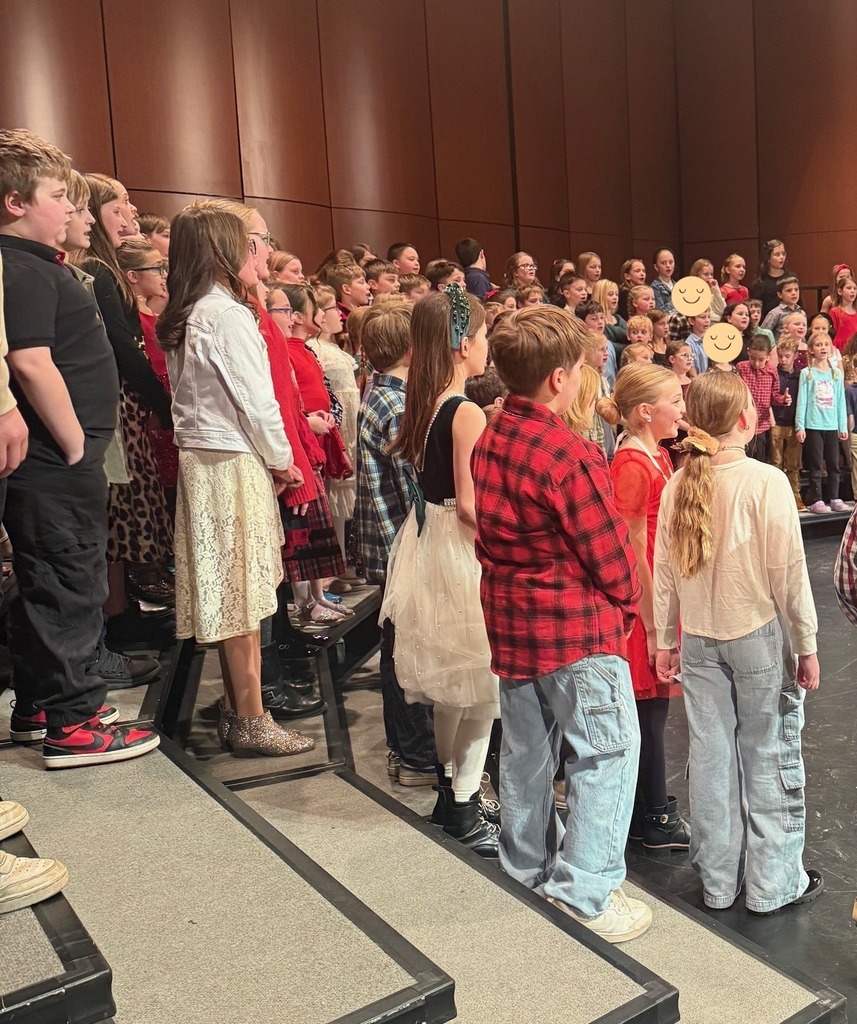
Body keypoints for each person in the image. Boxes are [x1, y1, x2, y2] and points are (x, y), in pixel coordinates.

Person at [472, 305, 648, 943]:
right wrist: (628, 604)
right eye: (578, 369)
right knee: (607, 754)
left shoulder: (492, 433)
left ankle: (527, 872)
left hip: (514, 628)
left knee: (525, 755)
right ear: (557, 378)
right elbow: (608, 553)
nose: (581, 378)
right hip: (575, 631)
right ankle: (585, 889)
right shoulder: (566, 450)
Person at [0, 128, 158, 767]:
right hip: (55, 459)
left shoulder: (36, 265)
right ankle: (76, 723)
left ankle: (42, 704)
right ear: (15, 202)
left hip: (58, 458)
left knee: (54, 577)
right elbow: (32, 363)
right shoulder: (20, 267)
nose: (74, 210)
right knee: (70, 580)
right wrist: (73, 445)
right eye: (60, 196)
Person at [654, 370, 823, 916]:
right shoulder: (765, 481)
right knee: (767, 751)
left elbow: (663, 572)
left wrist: (663, 637)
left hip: (699, 639)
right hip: (754, 636)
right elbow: (787, 572)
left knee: (710, 758)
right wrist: (806, 642)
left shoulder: (678, 482)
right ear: (747, 421)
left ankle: (719, 883)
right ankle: (773, 883)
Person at [157, 204, 314, 757]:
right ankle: (249, 716)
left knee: (232, 590)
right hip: (231, 460)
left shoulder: (193, 309)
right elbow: (257, 402)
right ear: (227, 250)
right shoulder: (225, 314)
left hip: (207, 461)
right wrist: (282, 460)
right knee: (242, 592)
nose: (265, 252)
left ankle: (238, 709)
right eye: (257, 242)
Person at [379, 286, 500, 857]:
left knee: (458, 687)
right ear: (460, 345)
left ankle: (451, 792)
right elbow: (474, 505)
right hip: (461, 547)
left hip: (429, 543)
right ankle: (464, 801)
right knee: (482, 686)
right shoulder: (467, 411)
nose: (486, 346)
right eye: (480, 335)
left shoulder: (423, 403)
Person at [599, 365, 690, 849]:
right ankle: (650, 813)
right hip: (645, 609)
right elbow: (634, 549)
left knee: (653, 714)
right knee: (647, 715)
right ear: (644, 411)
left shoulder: (655, 454)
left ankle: (649, 807)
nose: (682, 409)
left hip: (660, 600)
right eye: (674, 400)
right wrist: (655, 625)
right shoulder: (632, 465)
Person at [354, 302, 438, 786]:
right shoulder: (398, 403)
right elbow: (414, 483)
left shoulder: (381, 393)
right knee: (405, 649)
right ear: (412, 349)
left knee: (396, 646)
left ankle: (409, 752)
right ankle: (417, 755)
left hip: (390, 540)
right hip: (401, 540)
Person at [795, 332, 848, 513]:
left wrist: (843, 425)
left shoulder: (836, 374)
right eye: (818, 345)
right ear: (811, 349)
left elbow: (841, 401)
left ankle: (834, 497)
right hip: (814, 425)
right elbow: (802, 401)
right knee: (816, 464)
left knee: (833, 464)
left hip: (832, 426)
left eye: (826, 344)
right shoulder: (807, 373)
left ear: (831, 348)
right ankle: (816, 499)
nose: (823, 347)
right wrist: (800, 426)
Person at [736, 336, 790, 462]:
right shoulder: (741, 368)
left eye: (761, 360)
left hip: (762, 425)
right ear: (748, 351)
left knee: (760, 459)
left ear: (768, 356)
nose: (756, 363)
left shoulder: (772, 371)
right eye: (752, 358)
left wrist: (783, 399)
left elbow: (774, 396)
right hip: (743, 424)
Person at [770, 337, 805, 510]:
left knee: (793, 464)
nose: (783, 360)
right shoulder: (773, 373)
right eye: (781, 356)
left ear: (795, 355)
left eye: (787, 356)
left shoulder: (802, 376)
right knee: (776, 462)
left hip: (794, 424)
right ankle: (777, 498)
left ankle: (795, 496)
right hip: (776, 423)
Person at [750, 238, 792, 319]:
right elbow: (757, 309)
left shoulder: (790, 277)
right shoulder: (760, 282)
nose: (782, 257)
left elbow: (799, 302)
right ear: (768, 258)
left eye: (783, 254)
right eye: (777, 254)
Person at [761, 274, 801, 339]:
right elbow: (763, 334)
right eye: (789, 290)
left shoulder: (801, 312)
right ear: (780, 295)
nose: (794, 293)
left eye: (796, 289)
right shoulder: (775, 313)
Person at [828, 274, 857, 349]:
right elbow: (832, 334)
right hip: (840, 348)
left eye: (855, 288)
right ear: (840, 291)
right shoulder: (835, 312)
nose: (852, 291)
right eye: (849, 288)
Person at [650, 247, 676, 312]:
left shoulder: (677, 285)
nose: (668, 266)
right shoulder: (655, 287)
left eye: (671, 262)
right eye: (663, 263)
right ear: (656, 267)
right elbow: (660, 310)